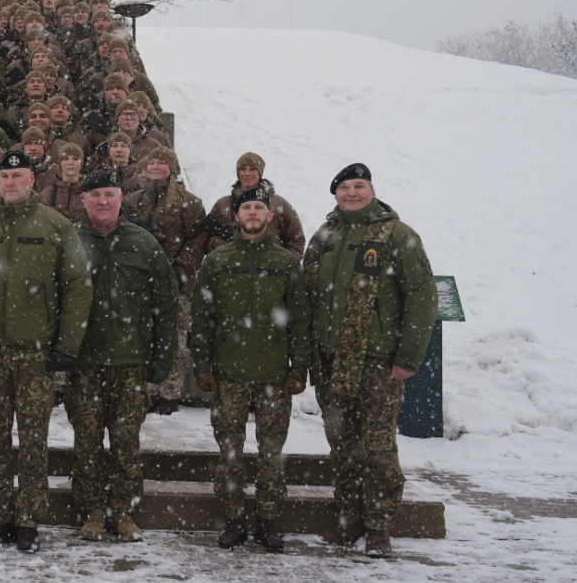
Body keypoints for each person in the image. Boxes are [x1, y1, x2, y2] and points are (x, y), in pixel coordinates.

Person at [0, 150, 92, 554]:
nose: (10, 182)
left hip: (36, 354)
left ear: (33, 180)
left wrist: (67, 344)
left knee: (32, 440)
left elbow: (78, 286)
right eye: (4, 175)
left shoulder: (55, 226)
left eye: (18, 175)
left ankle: (28, 520)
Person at [306, 164, 438, 558]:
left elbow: (421, 296)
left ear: (372, 190)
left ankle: (379, 526)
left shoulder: (398, 235)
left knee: (378, 447)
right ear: (335, 195)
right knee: (342, 444)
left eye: (358, 185)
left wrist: (408, 357)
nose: (351, 192)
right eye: (344, 187)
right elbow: (307, 292)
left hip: (377, 362)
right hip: (330, 360)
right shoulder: (325, 234)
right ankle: (349, 519)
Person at [191, 184, 309, 552]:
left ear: (270, 216)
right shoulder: (217, 262)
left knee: (271, 453)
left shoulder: (287, 264)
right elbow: (202, 319)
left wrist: (298, 369)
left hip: (274, 374)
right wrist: (203, 365)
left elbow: (300, 321)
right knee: (230, 451)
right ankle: (234, 519)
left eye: (260, 207)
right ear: (235, 215)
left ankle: (268, 520)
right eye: (247, 208)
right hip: (227, 374)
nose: (253, 213)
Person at [67, 169, 177, 543]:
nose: (102, 201)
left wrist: (162, 357)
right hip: (84, 362)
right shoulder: (70, 240)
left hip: (131, 362)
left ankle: (124, 511)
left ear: (120, 198)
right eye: (94, 194)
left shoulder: (142, 243)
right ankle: (93, 511)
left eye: (109, 194)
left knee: (126, 441)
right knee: (86, 441)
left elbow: (166, 303)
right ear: (83, 200)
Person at [122, 147, 207, 414]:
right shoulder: (133, 200)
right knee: (143, 337)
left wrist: (179, 270)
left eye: (162, 162)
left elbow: (197, 240)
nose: (156, 167)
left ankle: (169, 393)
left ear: (173, 167)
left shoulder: (190, 202)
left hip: (177, 284)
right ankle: (145, 390)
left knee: (177, 341)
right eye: (152, 162)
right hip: (142, 283)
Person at [204, 152, 306, 257]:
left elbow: (296, 241)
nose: (247, 173)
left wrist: (281, 264)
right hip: (230, 269)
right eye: (242, 169)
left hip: (269, 270)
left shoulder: (279, 204)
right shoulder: (222, 204)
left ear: (260, 173)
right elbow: (206, 240)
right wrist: (225, 246)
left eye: (252, 169)